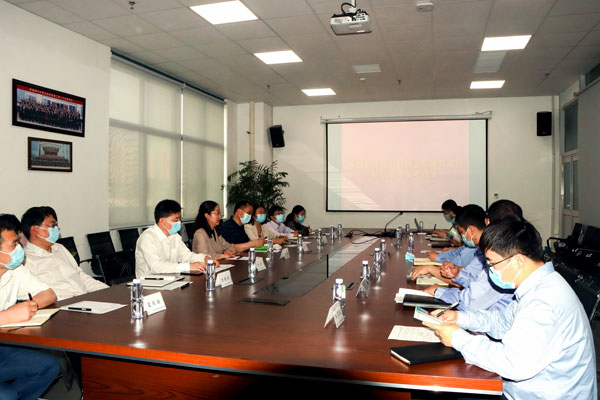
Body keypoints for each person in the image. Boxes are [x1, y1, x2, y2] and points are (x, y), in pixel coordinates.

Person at [424, 218, 597, 400]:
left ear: (518, 261)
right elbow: (502, 321)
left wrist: (459, 339)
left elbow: (514, 364)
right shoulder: (539, 285)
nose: (490, 270)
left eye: (492, 263)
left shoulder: (542, 301)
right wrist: (460, 317)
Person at [0, 216, 60, 400]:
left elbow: (49, 294)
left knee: (48, 366)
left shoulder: (15, 270)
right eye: (14, 244)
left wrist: (29, 306)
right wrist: (8, 316)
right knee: (8, 394)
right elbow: (8, 317)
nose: (20, 248)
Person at [21, 206, 108, 301]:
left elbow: (80, 276)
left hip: (84, 300)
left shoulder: (60, 248)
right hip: (60, 305)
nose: (56, 229)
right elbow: (35, 296)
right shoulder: (25, 260)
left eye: (56, 225)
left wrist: (107, 290)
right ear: (35, 230)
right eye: (52, 225)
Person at [136, 200, 208, 278]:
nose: (179, 222)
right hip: (148, 282)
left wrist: (204, 258)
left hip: (171, 279)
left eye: (179, 219)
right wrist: (188, 266)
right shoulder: (147, 237)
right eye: (175, 220)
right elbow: (156, 267)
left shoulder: (174, 236)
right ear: (162, 221)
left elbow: (185, 255)